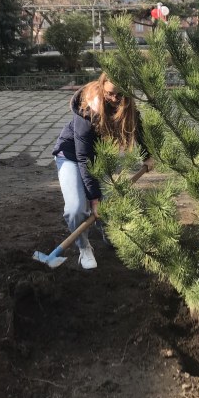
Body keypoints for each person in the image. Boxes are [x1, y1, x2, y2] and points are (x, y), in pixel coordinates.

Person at [52, 74, 152, 269]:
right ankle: (84, 247)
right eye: (110, 94)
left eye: (120, 95)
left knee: (110, 202)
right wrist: (94, 200)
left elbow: (137, 127)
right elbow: (83, 159)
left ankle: (107, 231)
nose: (115, 99)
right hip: (71, 156)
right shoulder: (88, 110)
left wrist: (148, 155)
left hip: (97, 159)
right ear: (102, 87)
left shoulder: (126, 105)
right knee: (77, 209)